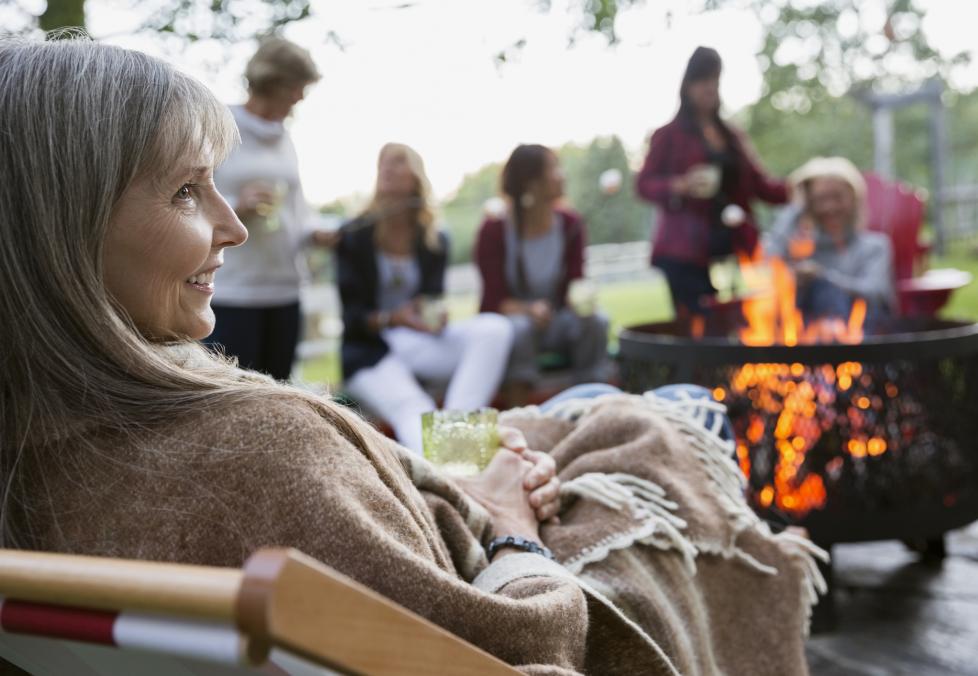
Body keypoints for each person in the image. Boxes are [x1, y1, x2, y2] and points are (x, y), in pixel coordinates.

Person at [0, 37, 824, 675]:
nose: (234, 225)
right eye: (187, 191)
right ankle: (453, 440)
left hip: (419, 443)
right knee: (680, 403)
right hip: (448, 473)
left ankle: (452, 440)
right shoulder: (262, 450)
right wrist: (508, 525)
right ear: (59, 234)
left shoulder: (42, 467)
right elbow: (512, 649)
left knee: (496, 356)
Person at [337, 143, 514, 454]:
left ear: (416, 175)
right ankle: (455, 465)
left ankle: (458, 426)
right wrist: (395, 317)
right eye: (382, 162)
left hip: (418, 341)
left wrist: (434, 315)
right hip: (370, 350)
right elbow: (352, 318)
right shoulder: (354, 234)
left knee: (495, 329)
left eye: (397, 161)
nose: (387, 168)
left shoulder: (435, 238)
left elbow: (432, 299)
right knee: (414, 407)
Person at [206, 37, 336, 381]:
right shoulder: (219, 127)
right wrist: (237, 206)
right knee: (232, 399)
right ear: (271, 81)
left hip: (286, 290)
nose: (300, 97)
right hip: (233, 293)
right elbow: (191, 200)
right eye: (296, 86)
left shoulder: (285, 138)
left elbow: (297, 209)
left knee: (279, 393)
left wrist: (316, 232)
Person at [636, 46, 789, 318]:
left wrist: (803, 188)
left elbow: (759, 184)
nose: (709, 89)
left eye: (714, 81)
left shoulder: (731, 135)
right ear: (687, 86)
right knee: (699, 323)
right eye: (702, 80)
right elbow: (643, 185)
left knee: (745, 319)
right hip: (683, 248)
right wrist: (679, 186)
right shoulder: (668, 135)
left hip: (731, 240)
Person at [475, 145, 609, 401]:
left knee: (595, 321)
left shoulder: (571, 225)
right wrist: (529, 309)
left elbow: (574, 284)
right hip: (515, 322)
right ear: (531, 181)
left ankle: (592, 403)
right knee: (519, 329)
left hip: (557, 321)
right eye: (554, 168)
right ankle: (519, 411)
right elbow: (493, 300)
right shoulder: (493, 231)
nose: (562, 175)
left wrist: (580, 300)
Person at [765, 157, 896, 322]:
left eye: (837, 197)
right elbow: (768, 264)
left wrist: (822, 277)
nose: (830, 207)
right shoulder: (802, 250)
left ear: (854, 199)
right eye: (820, 199)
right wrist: (797, 209)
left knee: (824, 291)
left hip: (862, 337)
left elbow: (876, 293)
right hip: (809, 339)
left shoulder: (875, 247)